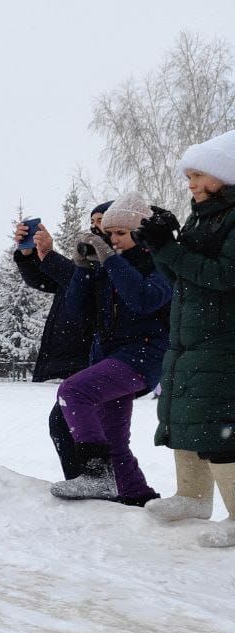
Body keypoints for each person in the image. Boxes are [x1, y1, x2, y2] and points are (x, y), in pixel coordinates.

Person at [140, 129, 235, 547]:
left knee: (219, 428)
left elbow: (223, 277)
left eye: (198, 175)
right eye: (188, 177)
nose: (190, 184)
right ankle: (193, 498)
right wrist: (160, 247)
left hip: (224, 337)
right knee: (185, 417)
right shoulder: (205, 215)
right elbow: (182, 278)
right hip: (191, 334)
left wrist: (172, 250)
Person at [49, 192, 171, 506]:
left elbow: (144, 300)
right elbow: (77, 311)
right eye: (109, 233)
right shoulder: (107, 266)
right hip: (109, 354)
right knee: (113, 439)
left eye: (120, 233)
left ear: (140, 232)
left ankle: (95, 474)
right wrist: (82, 267)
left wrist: (111, 260)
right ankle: (136, 496)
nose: (112, 239)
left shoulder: (159, 262)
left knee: (72, 392)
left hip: (142, 355)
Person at [14, 207, 103, 480]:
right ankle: (87, 482)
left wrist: (49, 255)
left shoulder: (116, 264)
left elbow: (86, 282)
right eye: (93, 222)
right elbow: (43, 280)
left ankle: (96, 483)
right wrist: (29, 255)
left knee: (69, 424)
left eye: (103, 221)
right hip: (80, 358)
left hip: (99, 357)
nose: (97, 227)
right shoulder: (86, 264)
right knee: (67, 424)